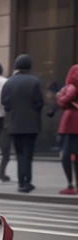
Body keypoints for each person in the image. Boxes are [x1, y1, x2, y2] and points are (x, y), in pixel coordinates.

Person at [2, 54, 44, 193]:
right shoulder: (34, 81)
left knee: (19, 153)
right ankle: (28, 181)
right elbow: (39, 103)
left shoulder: (9, 82)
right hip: (31, 124)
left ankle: (21, 181)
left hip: (15, 123)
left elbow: (5, 102)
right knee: (29, 153)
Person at [54, 63, 78, 195]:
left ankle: (70, 184)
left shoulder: (71, 88)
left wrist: (60, 96)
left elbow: (62, 101)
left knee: (66, 156)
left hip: (70, 123)